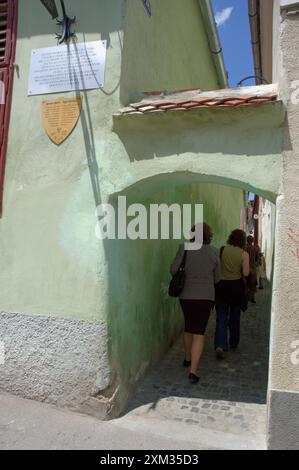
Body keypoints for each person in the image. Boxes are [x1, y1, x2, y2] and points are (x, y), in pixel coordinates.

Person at [171, 223, 220, 384]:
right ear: (209, 235)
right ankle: (193, 372)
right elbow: (217, 278)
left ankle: (187, 358)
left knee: (188, 326)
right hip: (205, 297)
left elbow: (173, 270)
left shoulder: (184, 248)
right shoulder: (214, 252)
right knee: (199, 332)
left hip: (186, 295)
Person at [214, 229, 250, 359]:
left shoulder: (222, 250)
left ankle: (219, 345)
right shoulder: (244, 254)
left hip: (222, 287)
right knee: (235, 317)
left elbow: (217, 270)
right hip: (236, 288)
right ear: (243, 241)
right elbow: (245, 273)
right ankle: (233, 342)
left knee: (221, 317)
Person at [246, 236, 258, 303]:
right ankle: (252, 297)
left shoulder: (245, 248)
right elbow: (257, 258)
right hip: (253, 267)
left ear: (247, 240)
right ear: (252, 241)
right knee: (253, 284)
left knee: (247, 283)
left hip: (246, 267)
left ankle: (247, 297)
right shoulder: (255, 249)